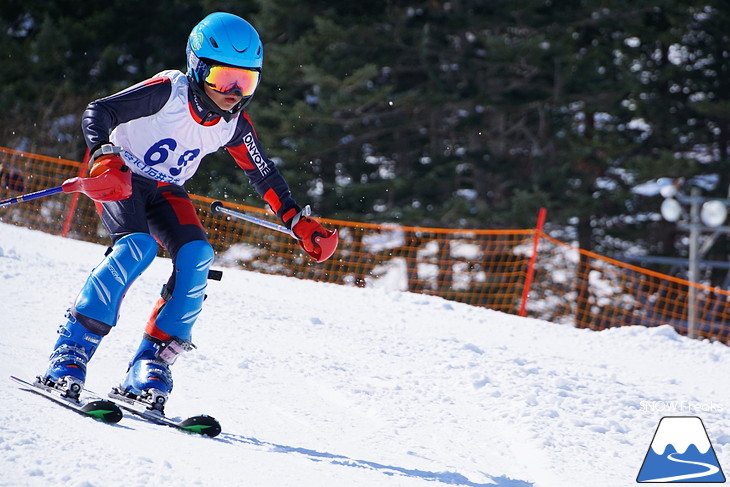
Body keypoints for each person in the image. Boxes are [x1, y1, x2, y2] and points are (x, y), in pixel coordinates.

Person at [39, 12, 338, 411]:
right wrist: (103, 155)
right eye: (223, 79)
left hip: (165, 188)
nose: (234, 92)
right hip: (121, 177)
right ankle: (70, 352)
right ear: (197, 68)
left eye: (245, 81)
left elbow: (263, 174)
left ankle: (150, 365)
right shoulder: (169, 92)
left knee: (197, 255)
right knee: (136, 249)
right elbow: (99, 112)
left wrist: (297, 221)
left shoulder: (233, 124)